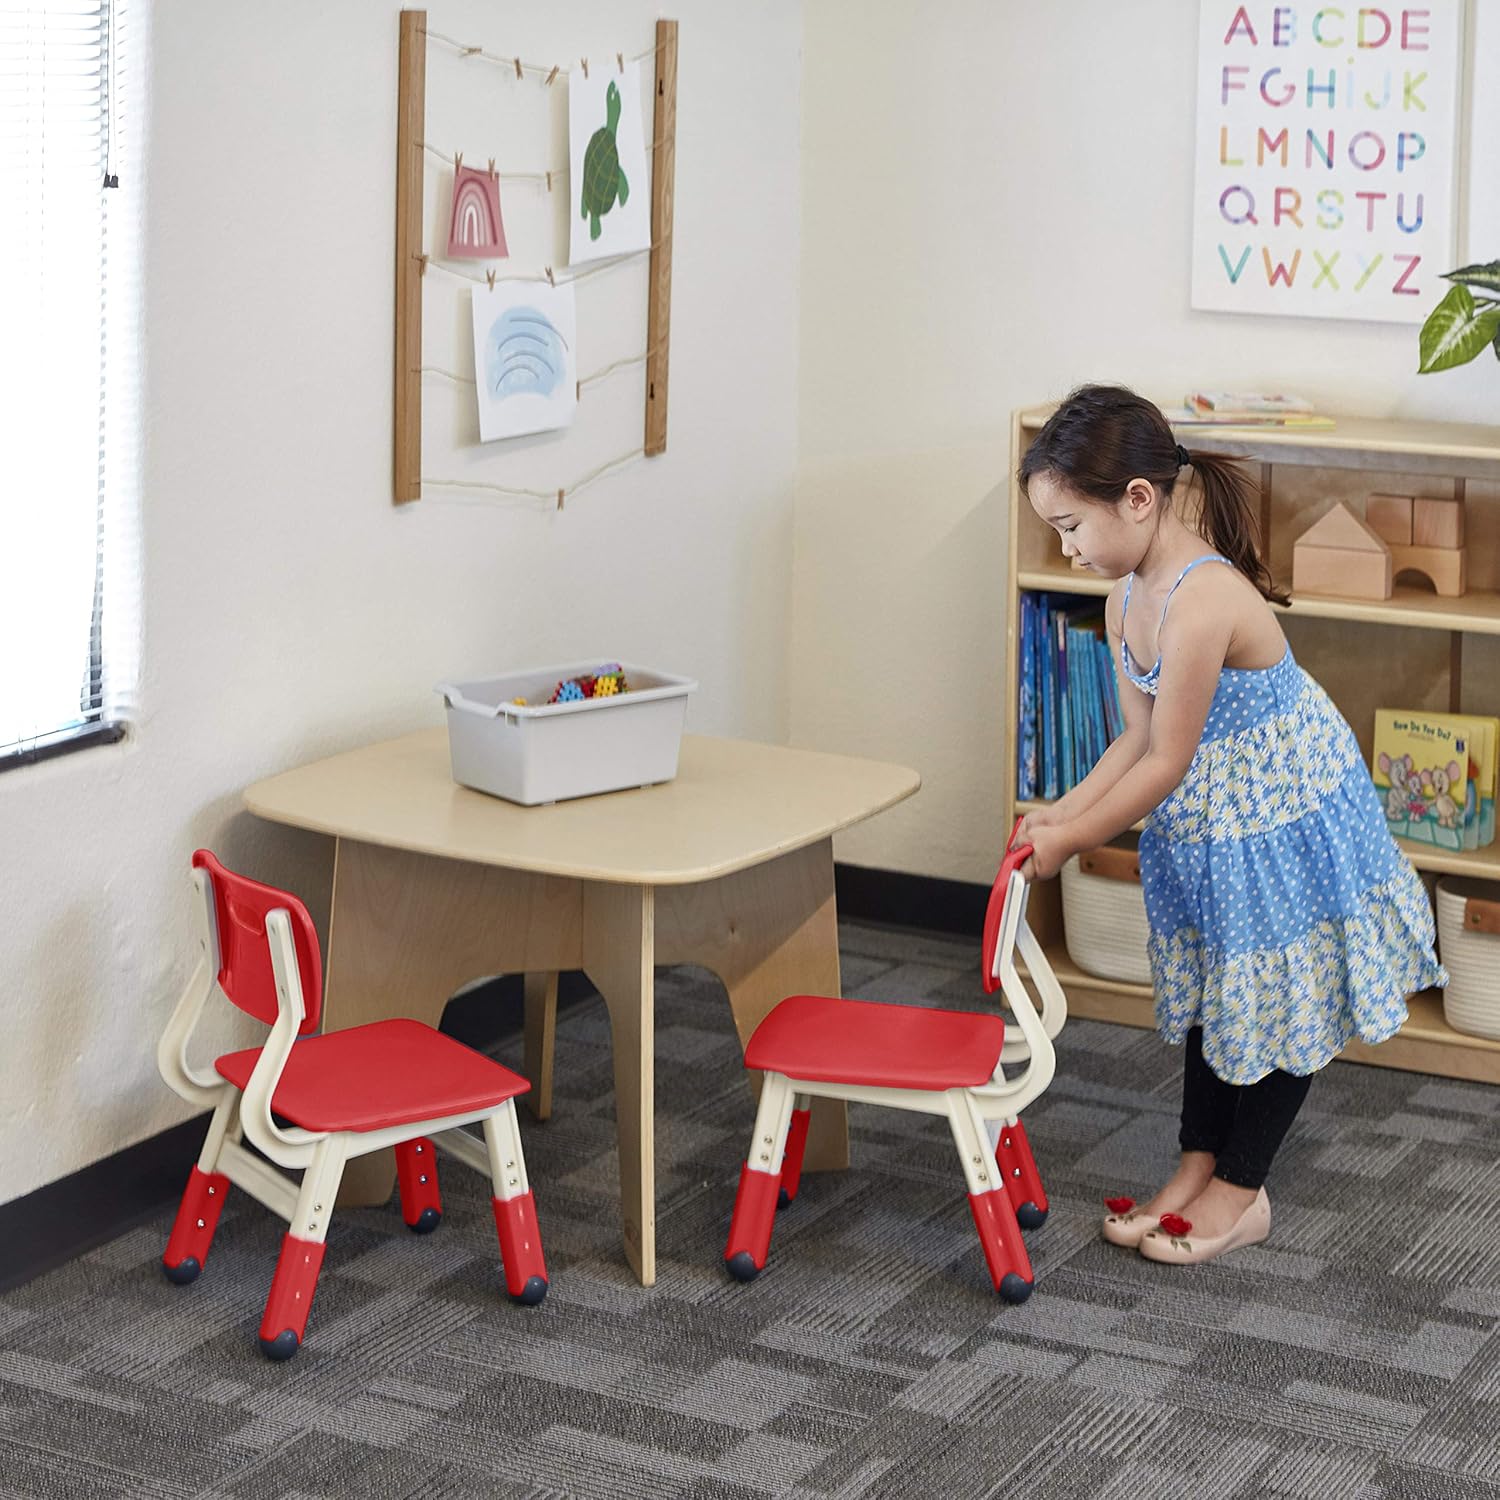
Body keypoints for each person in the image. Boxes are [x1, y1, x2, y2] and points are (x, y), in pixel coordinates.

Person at [1015, 384, 1445, 1265]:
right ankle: (1199, 1162)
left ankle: (1243, 1191)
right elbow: (1132, 738)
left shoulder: (1202, 601)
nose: (1066, 547)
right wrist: (1059, 814)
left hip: (1287, 813)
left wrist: (1074, 841)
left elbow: (1166, 762)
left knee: (1286, 992)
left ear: (1137, 499)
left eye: (1071, 526)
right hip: (1219, 822)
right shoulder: (1123, 593)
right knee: (1221, 984)